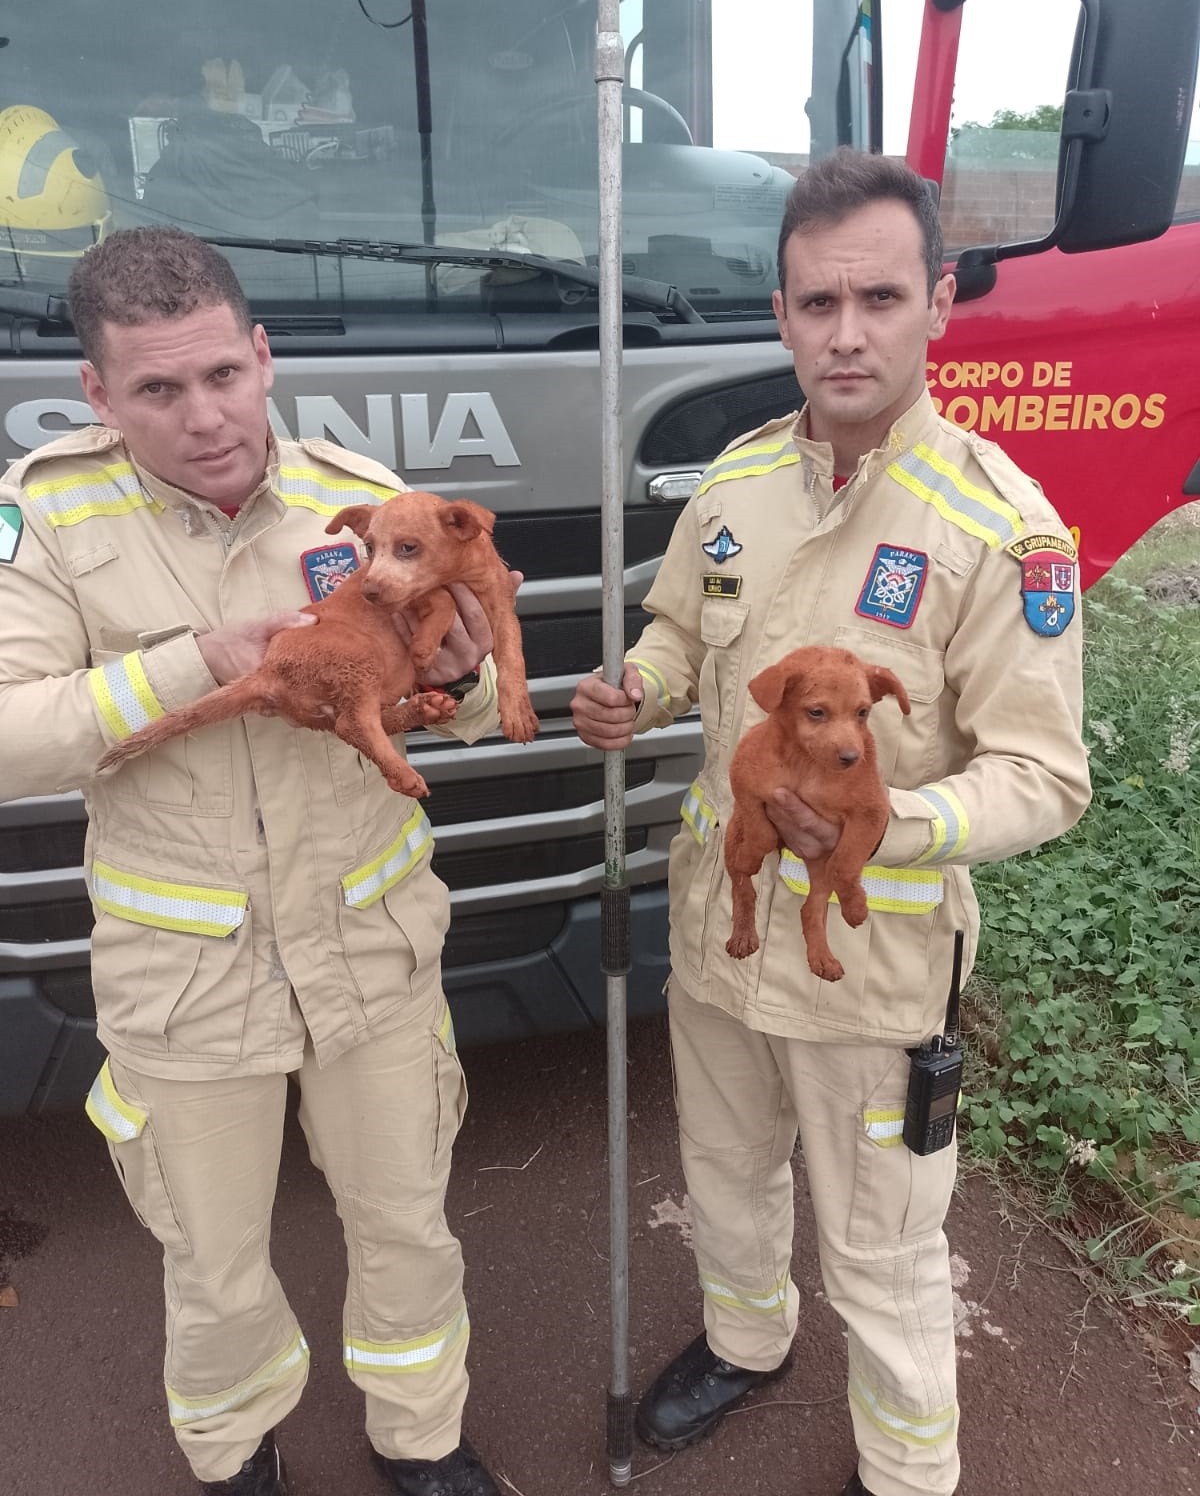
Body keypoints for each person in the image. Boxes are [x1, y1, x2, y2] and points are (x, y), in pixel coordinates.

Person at [571, 149, 1089, 1496]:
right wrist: (639, 686)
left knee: (883, 1243)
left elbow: (1043, 774)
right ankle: (746, 1341)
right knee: (723, 1171)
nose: (846, 333)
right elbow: (681, 630)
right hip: (723, 923)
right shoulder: (736, 483)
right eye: (817, 303)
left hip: (875, 964)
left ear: (940, 303)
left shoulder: (1001, 529)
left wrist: (887, 826)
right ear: (783, 315)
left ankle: (906, 1471)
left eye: (879, 298)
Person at [0, 226, 508, 1496]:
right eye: (159, 388)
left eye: (224, 373)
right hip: (186, 973)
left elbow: (457, 685)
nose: (206, 416)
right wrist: (194, 663)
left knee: (406, 1224)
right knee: (214, 1261)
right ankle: (235, 1459)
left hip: (369, 945)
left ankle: (422, 1441)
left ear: (265, 355)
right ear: (98, 393)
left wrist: (458, 675)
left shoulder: (364, 497)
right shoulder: (43, 516)